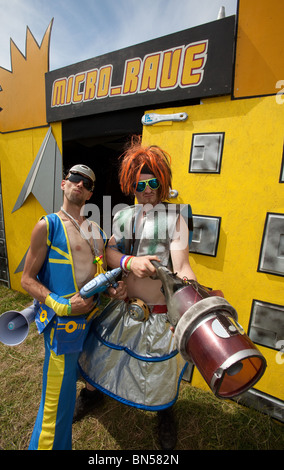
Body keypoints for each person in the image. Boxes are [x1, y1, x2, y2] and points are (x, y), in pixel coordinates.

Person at [77, 138, 197, 450]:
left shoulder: (175, 219)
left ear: (164, 183)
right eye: (140, 184)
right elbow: (110, 251)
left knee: (161, 370)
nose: (146, 190)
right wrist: (130, 262)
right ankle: (91, 395)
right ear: (132, 185)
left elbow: (182, 265)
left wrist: (188, 301)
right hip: (120, 305)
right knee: (99, 354)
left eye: (153, 182)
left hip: (158, 312)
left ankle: (164, 412)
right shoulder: (123, 215)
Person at [21, 164, 126, 450]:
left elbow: (100, 272)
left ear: (91, 194)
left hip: (93, 320)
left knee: (81, 383)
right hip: (64, 327)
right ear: (63, 184)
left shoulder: (96, 230)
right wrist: (64, 306)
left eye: (87, 183)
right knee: (57, 402)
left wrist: (113, 290)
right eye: (75, 178)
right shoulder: (48, 225)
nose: (80, 184)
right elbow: (27, 280)